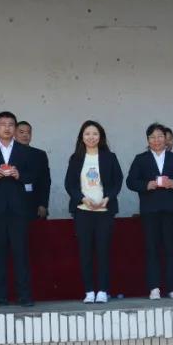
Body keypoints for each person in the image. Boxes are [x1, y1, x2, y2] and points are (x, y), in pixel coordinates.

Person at [0, 112, 38, 307]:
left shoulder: (25, 151)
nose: (7, 128)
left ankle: (24, 296)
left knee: (21, 254)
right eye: (3, 124)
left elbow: (34, 175)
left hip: (19, 210)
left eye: (11, 124)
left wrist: (20, 175)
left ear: (15, 128)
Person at [126, 123, 173, 299]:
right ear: (148, 140)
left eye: (160, 136)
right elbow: (131, 181)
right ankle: (154, 287)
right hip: (150, 210)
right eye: (152, 137)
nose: (157, 140)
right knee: (151, 248)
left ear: (166, 139)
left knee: (171, 248)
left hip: (170, 209)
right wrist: (146, 184)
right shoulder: (141, 159)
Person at [64, 120, 123, 303]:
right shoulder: (76, 158)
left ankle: (103, 291)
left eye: (95, 134)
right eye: (87, 134)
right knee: (85, 252)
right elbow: (70, 184)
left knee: (103, 251)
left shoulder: (109, 157)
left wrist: (108, 198)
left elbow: (117, 181)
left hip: (104, 211)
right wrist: (82, 198)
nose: (91, 137)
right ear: (82, 137)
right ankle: (89, 291)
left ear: (101, 137)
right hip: (83, 210)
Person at [15, 120, 51, 219]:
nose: (25, 135)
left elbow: (45, 181)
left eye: (28, 132)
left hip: (34, 203)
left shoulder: (40, 154)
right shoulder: (7, 154)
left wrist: (43, 204)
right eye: (21, 132)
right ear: (14, 134)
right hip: (13, 205)